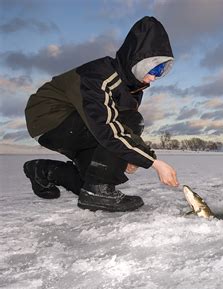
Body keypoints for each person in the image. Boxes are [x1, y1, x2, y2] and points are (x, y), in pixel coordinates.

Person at [23, 16, 179, 212]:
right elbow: (110, 128)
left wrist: (132, 157)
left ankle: (42, 170)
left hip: (78, 125)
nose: (156, 76)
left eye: (163, 70)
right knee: (131, 121)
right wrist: (153, 162)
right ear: (137, 59)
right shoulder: (100, 76)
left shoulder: (133, 90)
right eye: (155, 68)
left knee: (88, 181)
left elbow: (114, 130)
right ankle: (99, 190)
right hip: (50, 118)